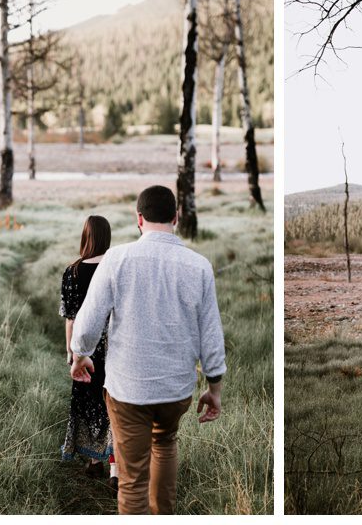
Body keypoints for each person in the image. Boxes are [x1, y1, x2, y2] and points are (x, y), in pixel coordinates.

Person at [70, 185, 227, 515]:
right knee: (165, 444)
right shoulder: (199, 266)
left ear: (139, 219)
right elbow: (211, 335)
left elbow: (87, 321)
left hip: (128, 389)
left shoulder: (116, 259)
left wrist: (80, 355)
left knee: (132, 479)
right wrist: (214, 389)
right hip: (175, 389)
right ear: (176, 217)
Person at [60, 215, 118, 489]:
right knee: (115, 404)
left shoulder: (72, 272)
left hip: (86, 351)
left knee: (91, 404)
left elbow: (71, 318)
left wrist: (72, 352)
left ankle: (94, 462)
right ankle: (115, 467)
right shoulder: (116, 268)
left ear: (85, 236)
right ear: (107, 237)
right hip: (116, 349)